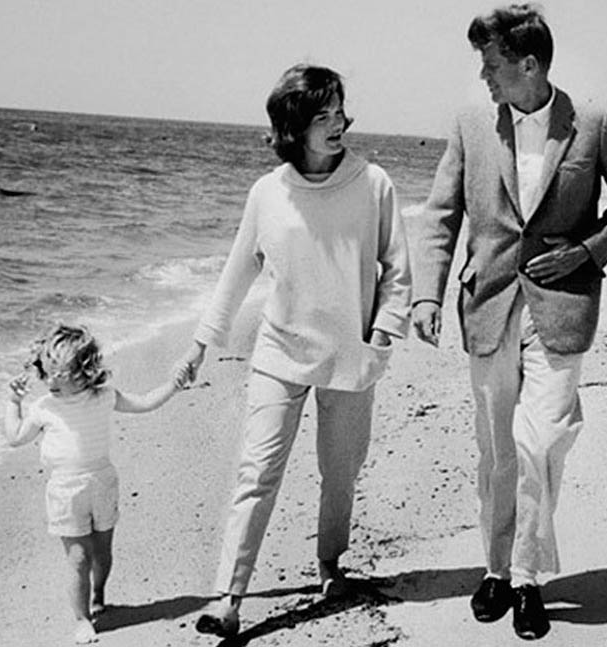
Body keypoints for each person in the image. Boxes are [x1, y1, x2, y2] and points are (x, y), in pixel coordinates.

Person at [406, 4, 607, 641]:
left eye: (492, 65)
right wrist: (427, 295)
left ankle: (528, 578)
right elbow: (441, 215)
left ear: (529, 64)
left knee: (539, 442)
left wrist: (590, 250)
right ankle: (495, 569)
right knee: (495, 450)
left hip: (561, 308)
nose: (484, 77)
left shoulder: (593, 123)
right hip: (488, 305)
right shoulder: (470, 123)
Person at [177, 64, 411, 638]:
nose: (338, 124)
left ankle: (331, 565)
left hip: (350, 355)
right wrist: (202, 345)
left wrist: (381, 335)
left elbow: (398, 271)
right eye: (322, 115)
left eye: (340, 111)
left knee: (340, 472)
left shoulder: (373, 183)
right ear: (293, 126)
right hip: (278, 353)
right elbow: (236, 276)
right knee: (257, 471)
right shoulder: (267, 192)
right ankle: (228, 597)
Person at [3, 323, 187, 644]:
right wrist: (12, 402)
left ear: (84, 372)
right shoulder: (44, 407)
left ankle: (99, 593)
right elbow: (16, 437)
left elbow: (144, 402)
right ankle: (82, 619)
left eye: (60, 376)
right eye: (47, 375)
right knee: (78, 558)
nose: (51, 383)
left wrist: (174, 385)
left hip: (102, 482)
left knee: (102, 553)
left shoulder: (103, 397)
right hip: (65, 491)